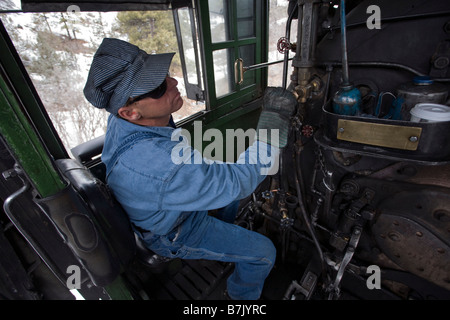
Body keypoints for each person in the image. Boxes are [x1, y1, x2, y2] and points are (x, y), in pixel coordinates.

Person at [83, 38, 297, 300]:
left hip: (170, 205)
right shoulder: (158, 164)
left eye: (165, 75)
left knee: (230, 184)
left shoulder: (129, 120)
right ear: (130, 112)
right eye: (159, 87)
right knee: (264, 253)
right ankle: (240, 297)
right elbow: (238, 183)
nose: (173, 83)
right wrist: (272, 127)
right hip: (174, 231)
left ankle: (221, 245)